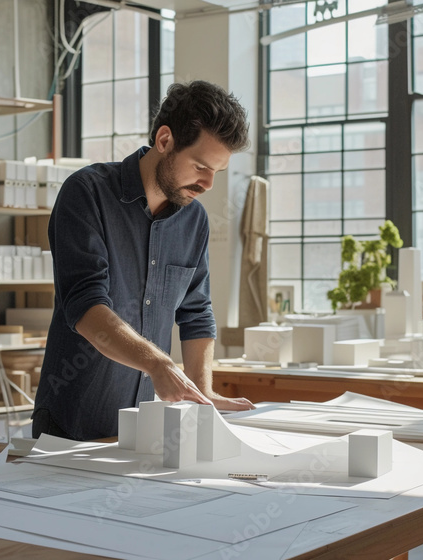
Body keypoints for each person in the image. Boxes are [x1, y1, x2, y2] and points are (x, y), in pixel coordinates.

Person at [32, 81, 256, 441]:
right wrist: (158, 363)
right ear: (164, 140)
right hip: (73, 424)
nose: (208, 184)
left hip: (146, 428)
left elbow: (196, 312)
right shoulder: (86, 193)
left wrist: (203, 392)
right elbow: (86, 307)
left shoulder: (193, 220)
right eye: (200, 166)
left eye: (217, 171)